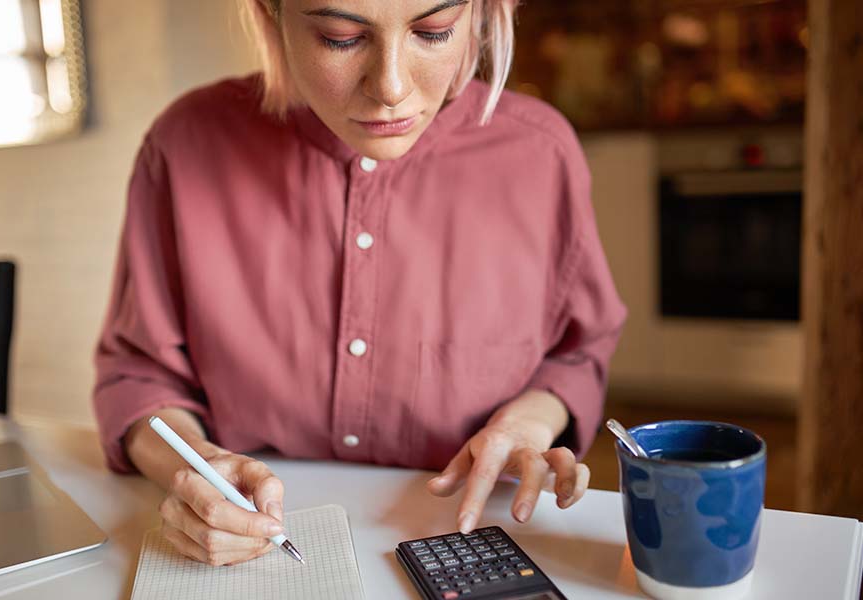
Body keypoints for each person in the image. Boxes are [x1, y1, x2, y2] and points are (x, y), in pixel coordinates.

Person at [92, 0, 626, 567]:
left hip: (465, 546)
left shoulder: (540, 154)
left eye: (433, 31)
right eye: (341, 38)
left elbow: (578, 353)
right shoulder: (186, 145)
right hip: (250, 558)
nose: (391, 87)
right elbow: (138, 377)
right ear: (269, 15)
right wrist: (193, 467)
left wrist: (528, 421)